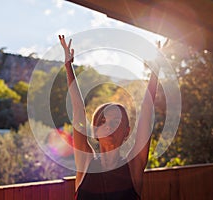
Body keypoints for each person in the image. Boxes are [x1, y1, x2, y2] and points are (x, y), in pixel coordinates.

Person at [59, 35, 158, 200]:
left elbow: (146, 110)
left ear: (126, 132)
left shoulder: (133, 166)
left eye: (116, 122)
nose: (109, 126)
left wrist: (155, 71)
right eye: (103, 121)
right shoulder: (85, 163)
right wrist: (68, 67)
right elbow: (78, 110)